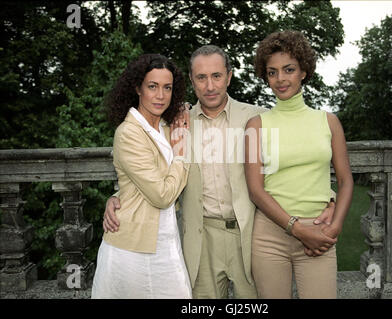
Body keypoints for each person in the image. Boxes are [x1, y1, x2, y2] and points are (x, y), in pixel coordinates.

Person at [103, 45, 336, 299]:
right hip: (201, 240)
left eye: (216, 76)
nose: (210, 86)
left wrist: (329, 198)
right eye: (201, 78)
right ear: (192, 81)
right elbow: (149, 168)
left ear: (229, 76)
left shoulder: (258, 119)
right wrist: (118, 197)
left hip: (250, 236)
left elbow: (299, 162)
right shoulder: (176, 125)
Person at [244, 30, 354, 299]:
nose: (280, 79)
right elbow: (256, 191)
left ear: (304, 71)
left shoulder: (328, 121)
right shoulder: (256, 126)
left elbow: (345, 180)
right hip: (269, 238)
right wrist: (297, 228)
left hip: (319, 234)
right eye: (272, 72)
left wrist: (334, 228)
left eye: (288, 69)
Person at [91, 53, 192, 299]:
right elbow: (161, 195)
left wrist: (117, 196)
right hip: (132, 248)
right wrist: (181, 155)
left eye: (167, 87)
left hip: (167, 243)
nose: (160, 95)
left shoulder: (169, 128)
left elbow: (138, 180)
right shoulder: (128, 133)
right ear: (137, 88)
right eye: (152, 86)